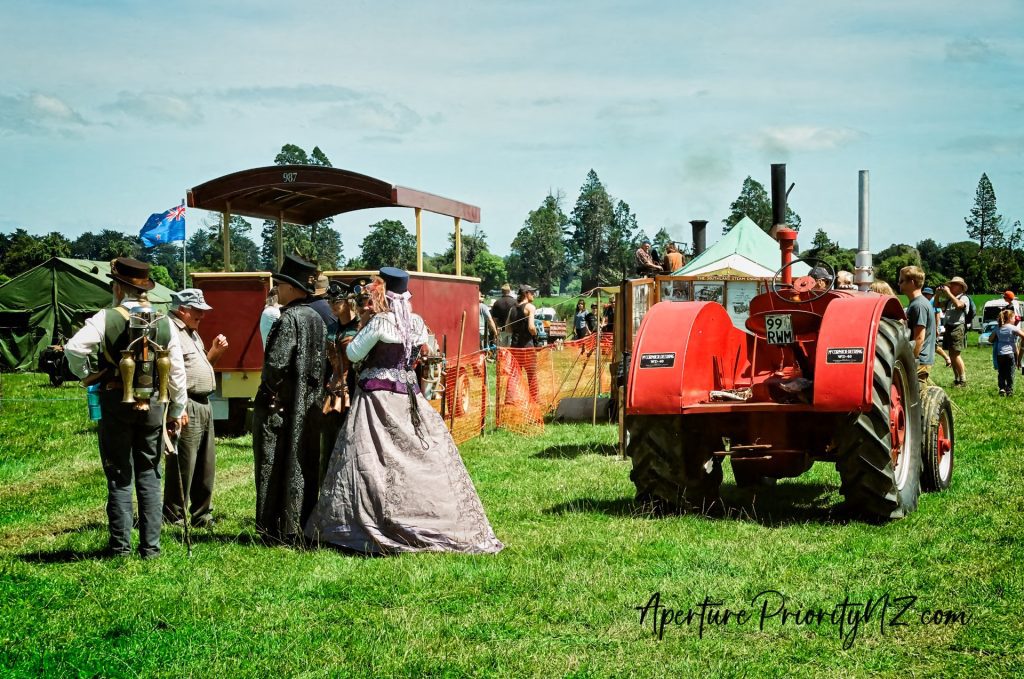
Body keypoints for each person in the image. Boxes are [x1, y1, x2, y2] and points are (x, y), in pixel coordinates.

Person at [305, 267, 503, 554]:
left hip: (376, 399)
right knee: (416, 455)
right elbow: (422, 353)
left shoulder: (381, 323)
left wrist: (365, 323)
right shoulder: (417, 322)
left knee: (368, 457)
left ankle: (364, 522)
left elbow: (352, 354)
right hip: (409, 396)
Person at [64, 257, 187, 559]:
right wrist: (175, 410)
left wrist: (87, 374)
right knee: (149, 474)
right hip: (155, 404)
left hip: (116, 400)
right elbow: (177, 372)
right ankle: (151, 549)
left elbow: (74, 348)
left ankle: (120, 549)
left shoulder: (106, 318)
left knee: (120, 475)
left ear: (119, 287)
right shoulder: (165, 321)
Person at [252, 254, 327, 542]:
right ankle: (302, 524)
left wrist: (267, 392)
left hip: (281, 407)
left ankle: (274, 528)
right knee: (303, 464)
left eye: (281, 284)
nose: (278, 289)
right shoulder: (317, 319)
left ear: (293, 288)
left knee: (273, 463)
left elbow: (276, 364)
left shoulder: (289, 319)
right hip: (309, 406)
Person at [162, 288, 228, 529]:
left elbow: (201, 366)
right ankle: (174, 516)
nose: (202, 315)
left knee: (205, 464)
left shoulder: (192, 333)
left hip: (203, 403)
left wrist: (215, 353)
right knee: (184, 464)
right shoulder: (171, 332)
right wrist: (177, 407)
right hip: (186, 402)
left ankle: (202, 515)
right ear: (182, 310)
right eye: (197, 311)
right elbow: (170, 373)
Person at [899, 266, 935, 384]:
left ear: (912, 282)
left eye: (902, 281)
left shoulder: (918, 305)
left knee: (918, 398)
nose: (899, 284)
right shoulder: (917, 303)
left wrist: (912, 361)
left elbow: (919, 337)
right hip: (920, 360)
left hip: (919, 361)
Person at [938, 276, 970, 387]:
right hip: (949, 327)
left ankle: (963, 380)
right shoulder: (949, 300)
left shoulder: (964, 298)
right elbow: (936, 305)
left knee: (956, 354)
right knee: (951, 355)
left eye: (954, 284)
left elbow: (959, 305)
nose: (951, 286)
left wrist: (949, 294)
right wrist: (938, 294)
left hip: (957, 327)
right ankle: (957, 379)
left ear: (961, 287)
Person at [992, 308, 1024, 396]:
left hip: (1000, 354)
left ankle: (1002, 388)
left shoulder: (998, 327)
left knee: (1001, 372)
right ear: (1009, 318)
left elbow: (990, 339)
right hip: (1010, 354)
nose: (1015, 320)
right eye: (1014, 318)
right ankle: (1009, 390)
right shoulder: (1013, 328)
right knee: (1010, 372)